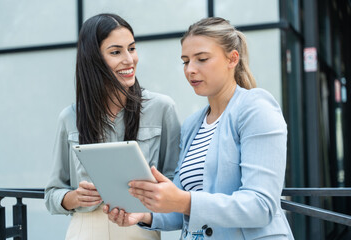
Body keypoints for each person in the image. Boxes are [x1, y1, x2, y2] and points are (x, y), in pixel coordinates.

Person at [104, 17, 295, 239]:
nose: (190, 70)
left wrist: (183, 200)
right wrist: (144, 215)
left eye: (202, 59)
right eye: (185, 61)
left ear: (232, 59)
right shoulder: (193, 125)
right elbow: (183, 211)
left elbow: (261, 206)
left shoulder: (255, 109)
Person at [44, 13, 180, 240]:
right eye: (116, 52)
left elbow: (176, 182)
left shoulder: (161, 108)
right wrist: (75, 198)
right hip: (84, 229)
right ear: (94, 59)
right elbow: (52, 195)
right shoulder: (70, 117)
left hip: (139, 229)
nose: (129, 59)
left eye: (132, 48)